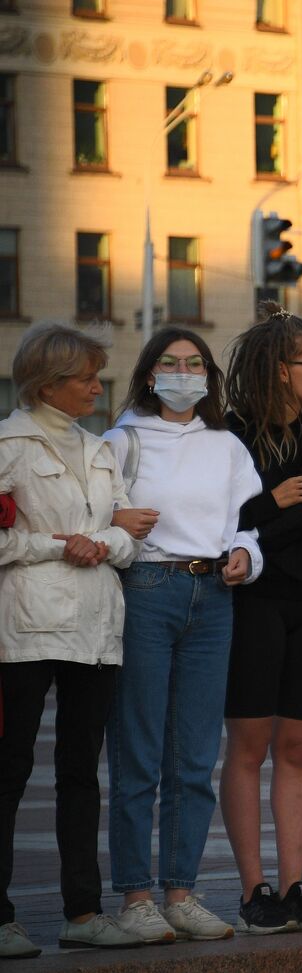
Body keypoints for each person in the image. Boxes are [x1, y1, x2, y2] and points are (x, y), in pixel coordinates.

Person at [103, 329, 264, 944]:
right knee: (139, 752)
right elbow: (93, 513)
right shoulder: (124, 440)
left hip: (213, 596)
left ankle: (180, 891)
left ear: (209, 376)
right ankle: (136, 896)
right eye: (170, 363)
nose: (183, 373)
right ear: (149, 374)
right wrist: (116, 520)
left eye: (195, 363)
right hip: (145, 590)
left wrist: (246, 557)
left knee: (196, 757)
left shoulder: (225, 443)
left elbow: (245, 524)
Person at [0, 324, 142, 956]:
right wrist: (60, 543)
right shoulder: (9, 444)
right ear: (46, 383)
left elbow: (127, 532)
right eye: (84, 376)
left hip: (95, 626)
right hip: (27, 624)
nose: (95, 385)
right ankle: (1, 915)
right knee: (9, 769)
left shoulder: (98, 448)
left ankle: (83, 911)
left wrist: (104, 542)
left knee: (82, 774)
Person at [219, 303, 302, 935]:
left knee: (296, 749)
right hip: (258, 601)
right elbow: (218, 522)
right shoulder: (234, 433)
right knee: (248, 747)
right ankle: (255, 889)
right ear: (278, 369)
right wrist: (271, 502)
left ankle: (295, 886)